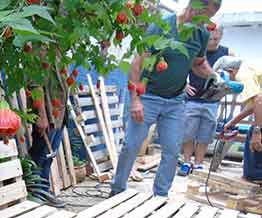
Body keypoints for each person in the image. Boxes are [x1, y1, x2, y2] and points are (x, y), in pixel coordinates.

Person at [111, 0, 222, 197]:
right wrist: (135, 100)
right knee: (131, 146)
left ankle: (160, 197)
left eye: (209, 18)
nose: (205, 22)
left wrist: (215, 76)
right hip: (148, 96)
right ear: (193, 5)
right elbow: (137, 64)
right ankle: (117, 190)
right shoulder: (161, 26)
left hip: (175, 101)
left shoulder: (201, 34)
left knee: (171, 151)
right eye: (203, 15)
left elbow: (198, 64)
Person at [178, 24, 233, 175]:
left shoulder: (226, 53)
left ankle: (199, 164)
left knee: (205, 134)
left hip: (212, 101)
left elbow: (235, 74)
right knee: (188, 133)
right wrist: (184, 85)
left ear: (220, 36)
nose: (213, 41)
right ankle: (187, 162)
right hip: (193, 99)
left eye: (216, 38)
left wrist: (229, 79)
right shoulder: (196, 50)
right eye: (210, 38)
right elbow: (180, 68)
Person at [215, 56, 262, 181]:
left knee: (254, 137)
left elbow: (259, 101)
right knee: (253, 134)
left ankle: (252, 177)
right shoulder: (249, 69)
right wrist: (232, 122)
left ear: (230, 71)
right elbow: (253, 104)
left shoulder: (243, 75)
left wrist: (257, 131)